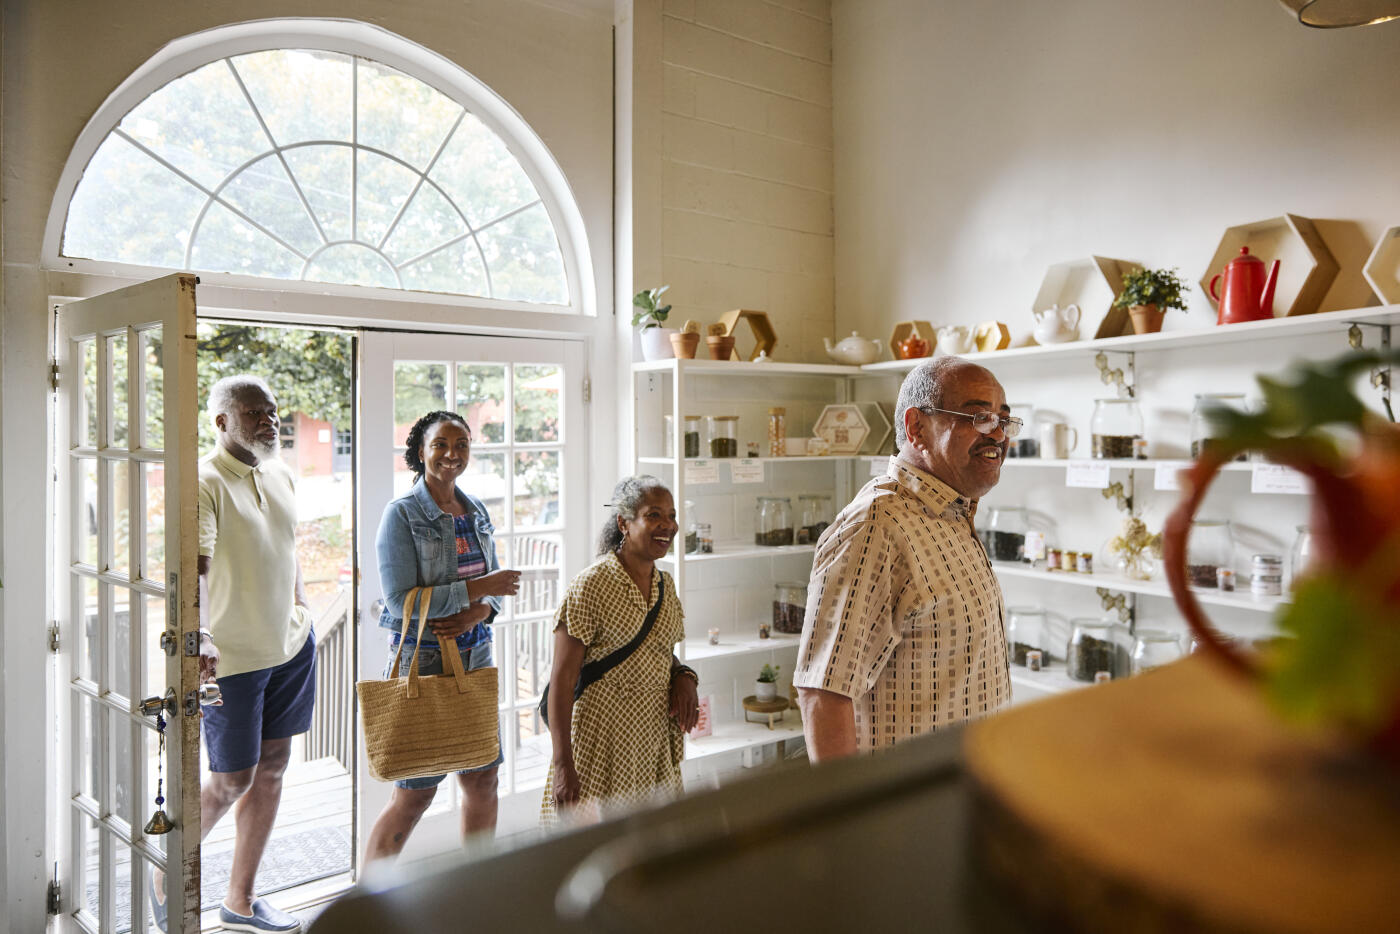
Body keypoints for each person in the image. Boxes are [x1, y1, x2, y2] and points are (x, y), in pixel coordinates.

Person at [793, 357, 1017, 761]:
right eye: (978, 417)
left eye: (1004, 419)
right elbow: (823, 694)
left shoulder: (953, 513)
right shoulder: (876, 526)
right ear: (917, 428)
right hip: (910, 812)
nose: (998, 434)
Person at [164, 374, 314, 934]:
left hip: (292, 647)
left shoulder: (279, 473)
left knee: (273, 769)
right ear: (221, 421)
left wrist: (301, 606)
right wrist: (198, 634)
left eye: (271, 410)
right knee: (232, 779)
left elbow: (289, 547)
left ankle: (240, 901)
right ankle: (165, 871)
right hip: (234, 659)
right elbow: (195, 569)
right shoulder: (203, 481)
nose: (267, 420)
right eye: (252, 412)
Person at [363, 410, 521, 863]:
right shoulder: (402, 515)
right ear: (420, 452)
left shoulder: (475, 511)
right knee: (415, 793)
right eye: (440, 445)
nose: (452, 455)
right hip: (424, 662)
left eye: (461, 445)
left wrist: (480, 612)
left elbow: (496, 589)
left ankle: (474, 887)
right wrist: (480, 591)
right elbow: (399, 602)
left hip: (476, 656)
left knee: (483, 779)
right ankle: (371, 903)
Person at [541, 475, 699, 827]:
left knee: (653, 848)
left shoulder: (664, 585)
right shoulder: (591, 585)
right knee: (588, 844)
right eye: (654, 515)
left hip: (652, 738)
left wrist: (684, 676)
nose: (667, 526)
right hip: (601, 742)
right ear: (623, 523)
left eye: (671, 516)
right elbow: (562, 681)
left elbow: (658, 651)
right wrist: (563, 764)